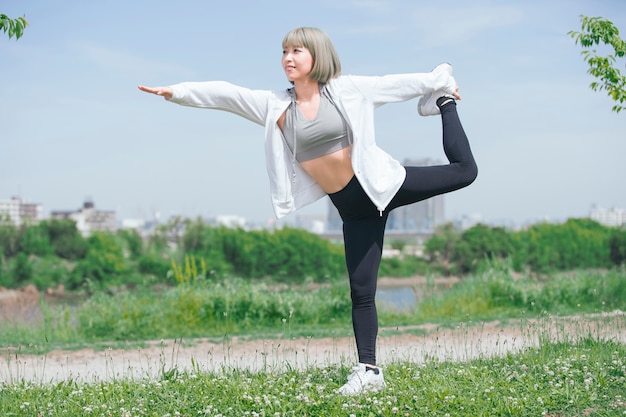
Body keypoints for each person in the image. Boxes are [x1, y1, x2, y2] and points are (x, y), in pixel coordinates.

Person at [138, 26, 477, 395]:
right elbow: (227, 94)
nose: (288, 58)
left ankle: (443, 102)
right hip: (354, 211)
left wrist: (435, 82)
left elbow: (393, 84)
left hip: (384, 185)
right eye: (284, 52)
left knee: (466, 171)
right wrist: (177, 93)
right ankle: (369, 371)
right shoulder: (275, 106)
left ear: (317, 55)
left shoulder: (346, 90)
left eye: (297, 51)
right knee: (361, 291)